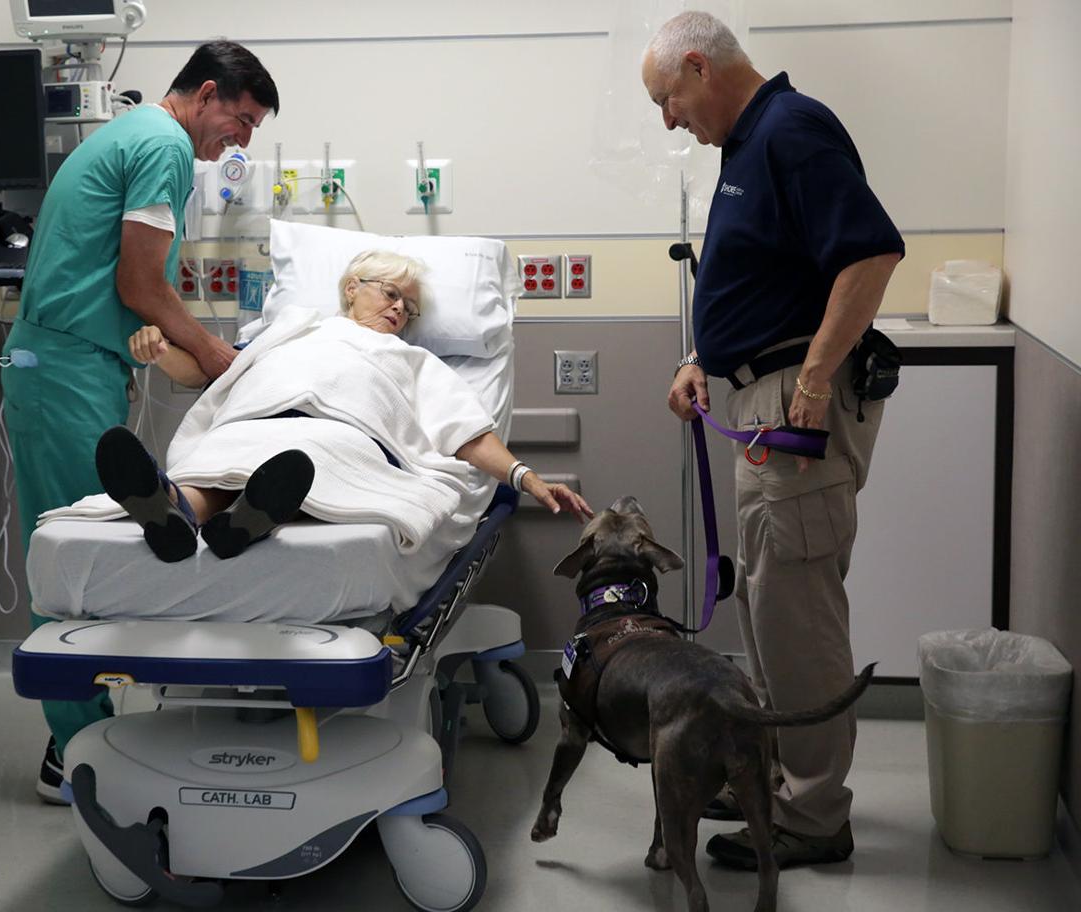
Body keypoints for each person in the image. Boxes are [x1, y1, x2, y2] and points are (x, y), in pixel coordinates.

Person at [642, 12, 904, 868]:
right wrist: (700, 356)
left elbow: (869, 257)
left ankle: (815, 817)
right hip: (758, 400)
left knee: (799, 619)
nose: (669, 119)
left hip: (794, 410)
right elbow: (769, 276)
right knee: (769, 608)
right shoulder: (748, 147)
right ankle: (783, 780)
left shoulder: (794, 130)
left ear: (696, 65)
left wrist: (816, 384)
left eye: (668, 99)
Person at [0, 41, 279, 804]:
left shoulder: (126, 133)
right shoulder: (163, 144)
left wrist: (180, 346)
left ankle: (87, 736)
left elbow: (129, 289)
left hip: (68, 366)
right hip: (62, 373)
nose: (242, 140)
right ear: (209, 92)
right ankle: (75, 757)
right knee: (72, 560)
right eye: (242, 119)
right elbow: (140, 282)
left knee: (84, 549)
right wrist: (223, 356)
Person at [96, 250, 592, 563]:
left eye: (410, 309)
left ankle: (232, 511)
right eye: (392, 294)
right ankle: (178, 511)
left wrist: (528, 478)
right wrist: (160, 353)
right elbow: (215, 375)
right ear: (353, 287)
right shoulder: (290, 329)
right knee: (221, 462)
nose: (400, 310)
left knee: (298, 460)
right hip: (253, 419)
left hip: (341, 434)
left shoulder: (413, 359)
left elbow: (469, 436)